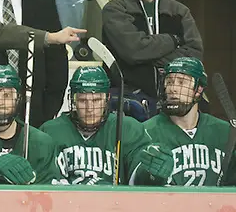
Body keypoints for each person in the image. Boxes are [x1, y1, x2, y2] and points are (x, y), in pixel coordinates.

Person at [102, 0, 203, 121]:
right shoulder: (114, 9)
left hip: (172, 101)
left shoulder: (179, 12)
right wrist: (172, 41)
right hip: (128, 104)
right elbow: (133, 50)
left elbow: (194, 55)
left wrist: (146, 56)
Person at [40, 66, 174, 185]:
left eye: (96, 100)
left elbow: (139, 177)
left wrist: (152, 172)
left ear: (107, 99)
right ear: (72, 100)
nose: (90, 108)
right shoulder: (51, 131)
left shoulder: (127, 128)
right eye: (82, 100)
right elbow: (46, 182)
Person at [144, 57, 236, 186]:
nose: (173, 89)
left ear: (198, 90)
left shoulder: (225, 132)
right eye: (169, 82)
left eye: (181, 82)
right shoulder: (146, 132)